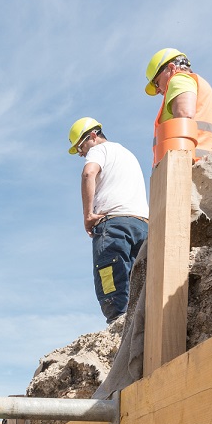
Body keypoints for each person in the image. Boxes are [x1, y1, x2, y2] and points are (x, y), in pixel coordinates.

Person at [67, 117, 149, 324]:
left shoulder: (98, 150)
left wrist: (87, 215)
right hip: (142, 225)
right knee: (138, 279)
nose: (81, 153)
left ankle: (117, 323)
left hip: (114, 224)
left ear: (93, 136)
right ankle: (137, 322)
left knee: (109, 276)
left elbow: (88, 174)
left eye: (80, 146)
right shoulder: (127, 154)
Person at [143, 47, 212, 165]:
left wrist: (178, 165)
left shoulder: (178, 79)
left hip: (187, 165)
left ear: (171, 68)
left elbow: (184, 115)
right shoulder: (196, 83)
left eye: (157, 82)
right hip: (203, 162)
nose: (157, 90)